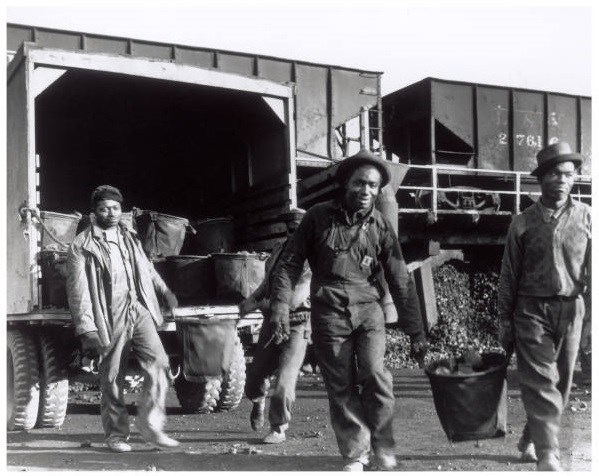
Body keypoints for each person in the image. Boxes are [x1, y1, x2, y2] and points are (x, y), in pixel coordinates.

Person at [268, 149, 428, 471]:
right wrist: (280, 306)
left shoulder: (381, 225)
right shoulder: (317, 218)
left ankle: (383, 447)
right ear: (346, 184)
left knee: (375, 376)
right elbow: (288, 264)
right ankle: (356, 454)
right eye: (359, 183)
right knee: (340, 384)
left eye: (372, 185)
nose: (365, 191)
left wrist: (416, 330)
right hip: (328, 311)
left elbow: (400, 279)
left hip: (369, 310)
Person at [498, 142, 591, 471]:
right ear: (541, 179)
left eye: (568, 174)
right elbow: (509, 274)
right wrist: (504, 320)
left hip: (572, 309)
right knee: (540, 382)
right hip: (530, 311)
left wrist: (592, 320)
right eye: (554, 174)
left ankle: (530, 438)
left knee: (562, 383)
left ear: (574, 178)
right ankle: (549, 454)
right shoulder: (522, 222)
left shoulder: (588, 217)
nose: (562, 180)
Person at [66, 185, 180, 452]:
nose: (111, 213)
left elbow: (147, 268)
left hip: (138, 309)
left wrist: (165, 291)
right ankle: (116, 435)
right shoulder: (82, 245)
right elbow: (78, 292)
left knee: (160, 363)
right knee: (112, 376)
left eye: (116, 208)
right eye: (104, 208)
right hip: (109, 314)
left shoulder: (129, 236)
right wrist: (87, 329)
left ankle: (150, 425)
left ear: (122, 209)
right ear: (94, 212)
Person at [240, 208, 312, 444]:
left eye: (298, 227)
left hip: (298, 323)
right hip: (272, 322)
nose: (293, 231)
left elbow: (296, 298)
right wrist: (245, 305)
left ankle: (279, 427)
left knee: (285, 380)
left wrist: (262, 304)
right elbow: (265, 285)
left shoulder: (313, 256)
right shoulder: (279, 250)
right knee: (255, 376)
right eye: (290, 227)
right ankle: (258, 400)